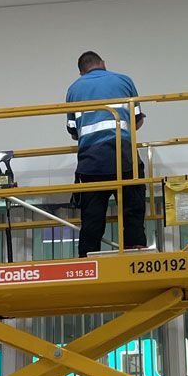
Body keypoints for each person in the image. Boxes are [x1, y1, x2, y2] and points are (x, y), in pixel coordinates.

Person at [66, 51, 148, 257]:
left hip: (91, 161)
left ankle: (87, 258)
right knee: (132, 205)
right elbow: (137, 121)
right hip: (123, 155)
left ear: (81, 72)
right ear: (103, 64)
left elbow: (73, 131)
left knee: (92, 216)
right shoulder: (123, 80)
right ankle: (135, 247)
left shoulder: (74, 89)